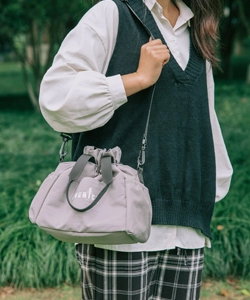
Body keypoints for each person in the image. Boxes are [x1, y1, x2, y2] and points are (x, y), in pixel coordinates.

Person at [39, 0, 233, 299]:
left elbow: (204, 118)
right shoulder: (111, 14)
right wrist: (137, 79)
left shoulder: (196, 30)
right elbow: (57, 99)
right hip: (117, 222)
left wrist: (211, 186)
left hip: (187, 223)